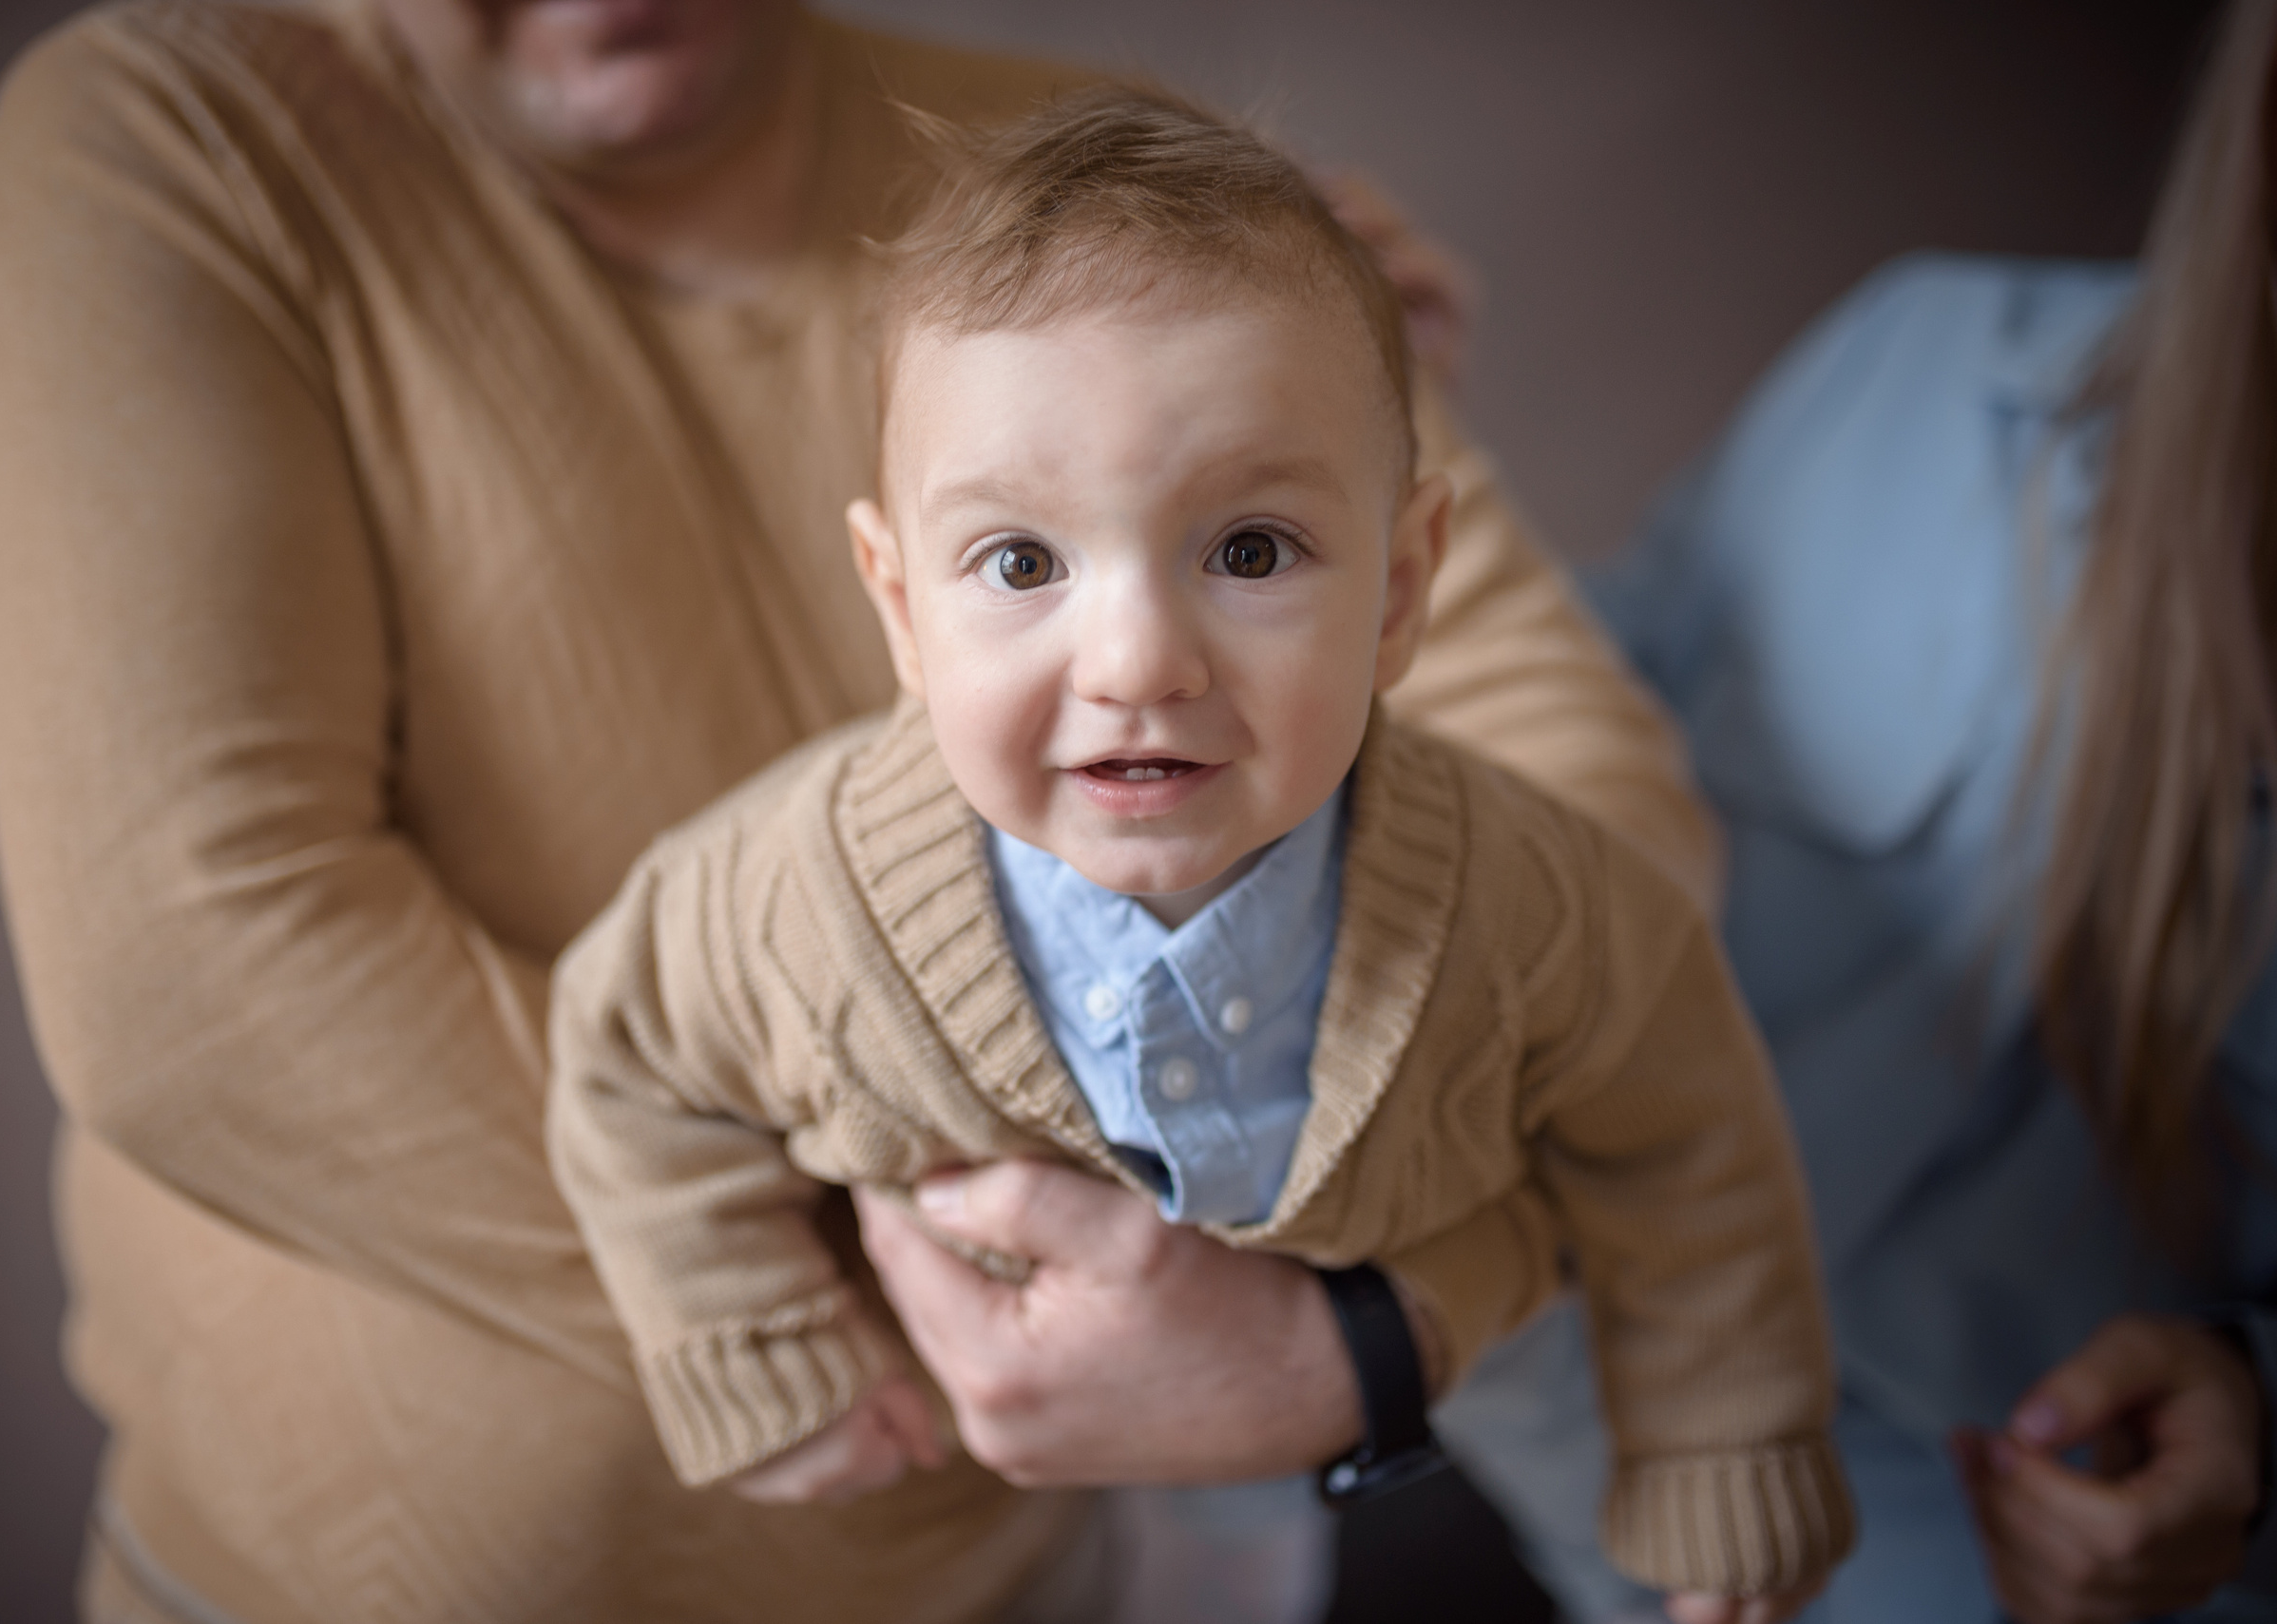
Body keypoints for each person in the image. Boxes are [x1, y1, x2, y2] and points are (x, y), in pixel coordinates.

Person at [0, 2, 1719, 1619]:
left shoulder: (1113, 172)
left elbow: (1597, 814)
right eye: (1010, 562)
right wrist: (1034, 1342)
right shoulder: (174, 138)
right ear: (883, 580)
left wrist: (1362, 1332)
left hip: (1032, 1568)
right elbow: (191, 970)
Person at [544, 88, 1851, 1617]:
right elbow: (628, 1051)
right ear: (900, 608)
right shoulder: (794, 905)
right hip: (990, 1477)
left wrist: (1724, 1441)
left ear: (1400, 589)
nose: (1137, 661)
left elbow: (1685, 1129)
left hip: (1432, 1409)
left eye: (1249, 551)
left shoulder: (1534, 903)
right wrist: (752, 1335)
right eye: (1020, 562)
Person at [1436, 3, 2277, 1620]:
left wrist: (2263, 1402)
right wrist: (1359, 459)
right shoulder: (1930, 372)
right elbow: (1592, 700)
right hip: (1568, 1468)